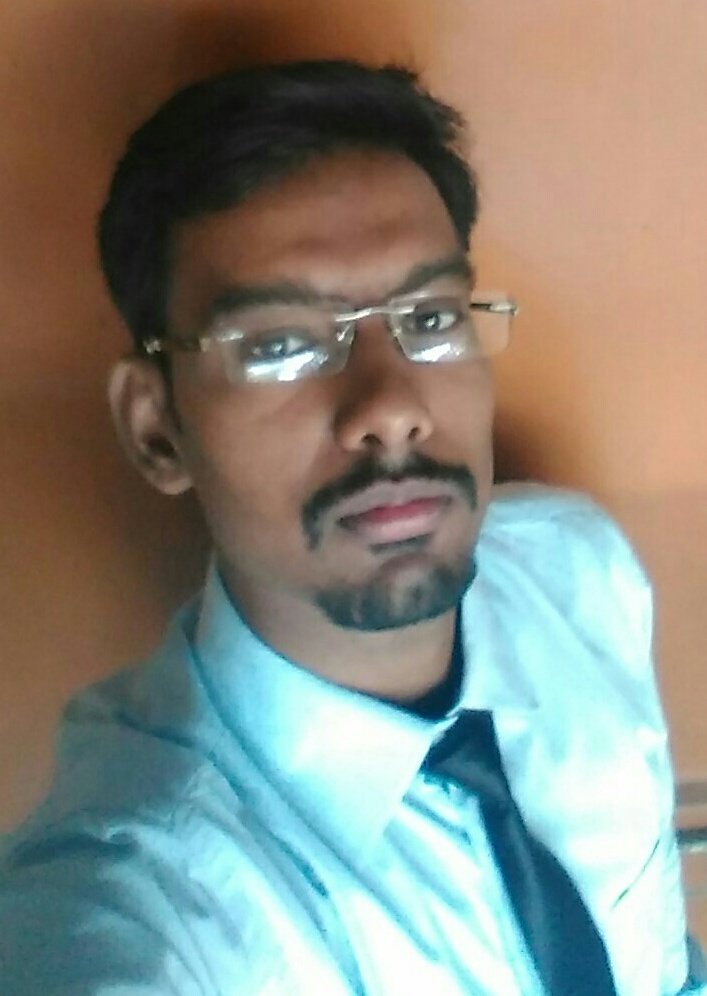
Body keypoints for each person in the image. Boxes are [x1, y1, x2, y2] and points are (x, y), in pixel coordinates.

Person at [0, 59, 702, 996]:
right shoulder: (150, 900)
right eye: (280, 345)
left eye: (430, 318)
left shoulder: (573, 571)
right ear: (156, 428)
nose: (390, 406)